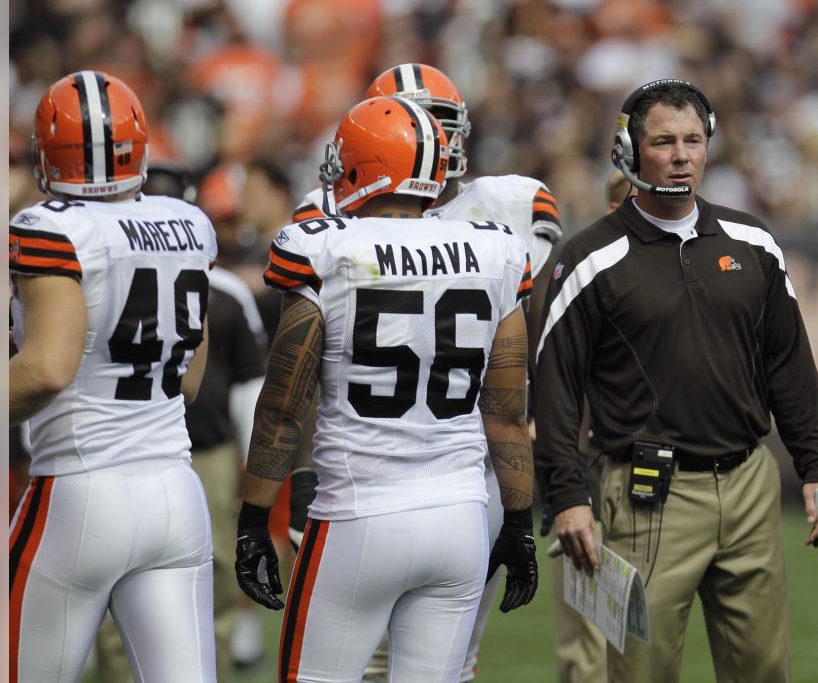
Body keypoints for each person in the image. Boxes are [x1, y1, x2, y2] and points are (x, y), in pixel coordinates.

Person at [534, 78, 818, 681]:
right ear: (630, 150)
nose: (681, 155)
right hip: (648, 492)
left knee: (762, 670)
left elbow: (789, 363)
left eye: (693, 140)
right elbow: (557, 388)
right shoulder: (591, 256)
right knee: (640, 672)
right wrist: (567, 495)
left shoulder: (752, 240)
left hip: (750, 482)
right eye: (665, 141)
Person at [233, 95, 538, 681]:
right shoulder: (496, 250)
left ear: (359, 165)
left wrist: (254, 519)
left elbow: (284, 404)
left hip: (358, 513)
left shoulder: (325, 247)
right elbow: (506, 412)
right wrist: (519, 523)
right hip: (460, 518)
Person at [9, 71, 218, 682]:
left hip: (80, 489)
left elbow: (47, 369)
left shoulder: (49, 227)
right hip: (175, 493)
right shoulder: (188, 223)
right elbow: (188, 380)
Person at [92, 160, 268, 682]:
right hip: (167, 452)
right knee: (187, 588)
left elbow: (246, 387)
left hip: (156, 450)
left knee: (194, 579)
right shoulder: (218, 283)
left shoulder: (92, 267)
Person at [544, 171, 628, 682]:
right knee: (584, 643)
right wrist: (564, 485)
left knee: (641, 641)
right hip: (587, 475)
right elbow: (551, 393)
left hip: (649, 483)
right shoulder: (574, 278)